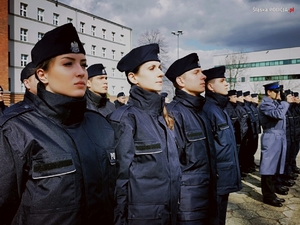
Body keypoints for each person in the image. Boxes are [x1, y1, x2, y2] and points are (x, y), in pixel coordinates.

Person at [0, 23, 115, 224]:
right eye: (68, 63)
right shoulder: (15, 129)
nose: (80, 72)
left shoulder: (100, 125)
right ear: (42, 75)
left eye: (84, 64)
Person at [108, 43, 181, 225]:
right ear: (133, 77)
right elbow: (117, 181)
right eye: (151, 68)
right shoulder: (124, 119)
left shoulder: (163, 116)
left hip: (169, 214)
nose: (160, 73)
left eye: (159, 67)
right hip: (141, 218)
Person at [165, 53, 217, 224]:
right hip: (188, 205)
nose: (203, 76)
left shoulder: (200, 111)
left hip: (207, 196)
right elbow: (172, 168)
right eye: (196, 72)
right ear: (180, 81)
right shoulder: (174, 113)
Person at [202, 66, 242, 225]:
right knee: (215, 218)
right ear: (210, 87)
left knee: (220, 217)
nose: (227, 84)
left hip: (224, 176)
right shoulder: (209, 110)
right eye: (222, 81)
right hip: (217, 178)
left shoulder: (220, 108)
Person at [259, 81, 289, 207]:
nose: (279, 94)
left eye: (279, 91)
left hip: (279, 137)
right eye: (276, 91)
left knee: (277, 166)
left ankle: (274, 189)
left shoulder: (274, 103)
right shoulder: (265, 104)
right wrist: (284, 102)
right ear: (269, 92)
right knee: (268, 168)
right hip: (271, 137)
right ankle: (268, 196)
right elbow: (278, 114)